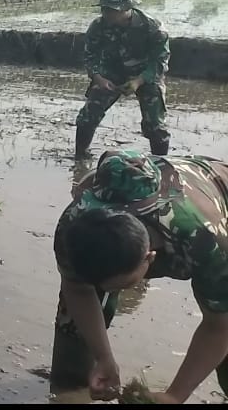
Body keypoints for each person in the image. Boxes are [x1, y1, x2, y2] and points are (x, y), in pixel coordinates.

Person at [50, 148, 228, 404]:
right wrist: (103, 357)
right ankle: (72, 388)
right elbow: (76, 288)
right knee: (74, 330)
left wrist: (175, 396)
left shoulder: (205, 241)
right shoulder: (72, 229)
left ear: (150, 258)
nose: (110, 291)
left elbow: (219, 326)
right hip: (137, 206)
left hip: (213, 193)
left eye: (124, 285)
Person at [76, 0, 170, 159]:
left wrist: (138, 81)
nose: (106, 14)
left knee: (155, 125)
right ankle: (80, 156)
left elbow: (159, 62)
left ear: (127, 8)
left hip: (145, 74)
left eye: (111, 10)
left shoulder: (153, 28)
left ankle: (161, 163)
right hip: (111, 72)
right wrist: (98, 77)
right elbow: (90, 56)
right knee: (88, 116)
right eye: (104, 9)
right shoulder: (98, 26)